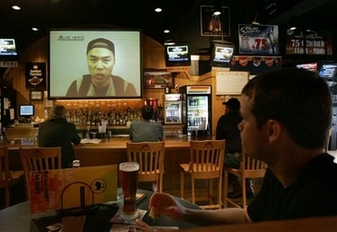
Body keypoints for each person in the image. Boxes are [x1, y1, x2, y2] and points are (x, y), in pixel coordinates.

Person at [136, 68, 337, 230]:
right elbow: (247, 217)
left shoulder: (319, 205)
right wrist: (185, 213)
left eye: (245, 118)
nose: (239, 126)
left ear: (272, 131)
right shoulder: (282, 173)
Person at [65, 38, 137, 97]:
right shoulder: (78, 86)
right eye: (93, 60)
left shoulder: (126, 88)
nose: (99, 66)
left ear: (114, 62)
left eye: (106, 60)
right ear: (87, 60)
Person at [216, 98, 254, 199]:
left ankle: (237, 186)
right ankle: (248, 186)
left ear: (229, 108)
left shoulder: (224, 119)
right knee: (246, 163)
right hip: (252, 159)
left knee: (218, 160)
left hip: (234, 158)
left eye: (226, 107)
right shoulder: (246, 118)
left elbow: (218, 140)